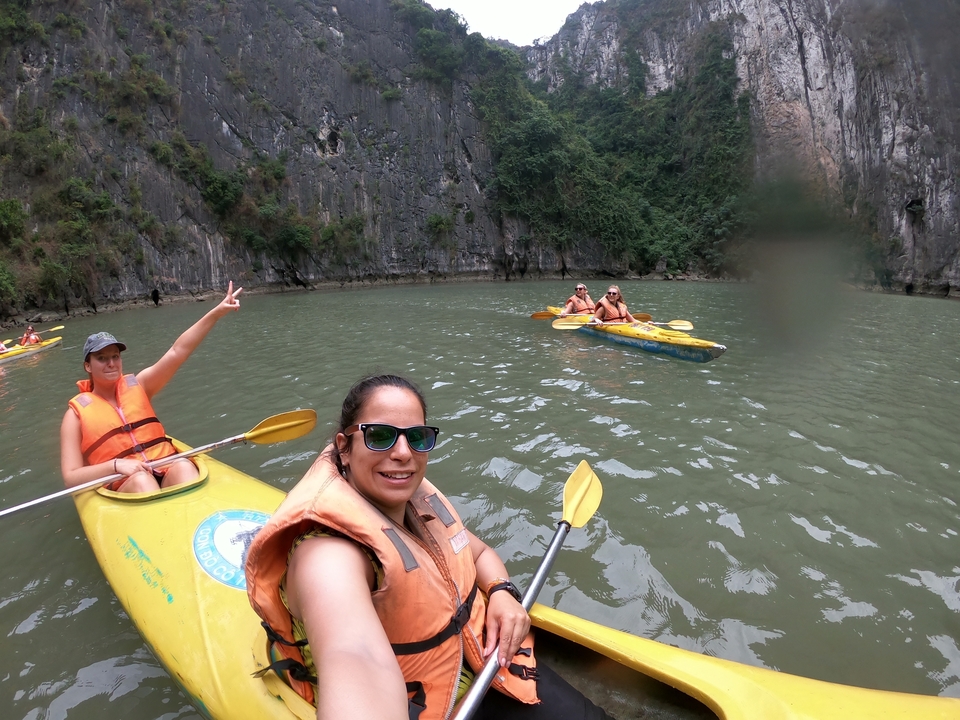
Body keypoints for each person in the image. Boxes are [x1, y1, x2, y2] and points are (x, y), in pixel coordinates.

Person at [245, 375, 612, 720]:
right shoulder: (327, 555)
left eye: (417, 438)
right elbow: (357, 657)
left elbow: (479, 554)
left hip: (487, 663)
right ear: (344, 447)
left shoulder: (417, 505)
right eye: (381, 436)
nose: (404, 453)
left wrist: (502, 591)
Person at [59, 282, 242, 494]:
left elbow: (178, 351)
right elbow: (71, 477)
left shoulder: (141, 385)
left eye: (115, 356)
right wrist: (116, 465)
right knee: (141, 481)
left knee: (183, 467)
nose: (111, 363)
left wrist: (216, 314)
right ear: (88, 366)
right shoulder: (74, 417)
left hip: (164, 468)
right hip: (126, 484)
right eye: (102, 358)